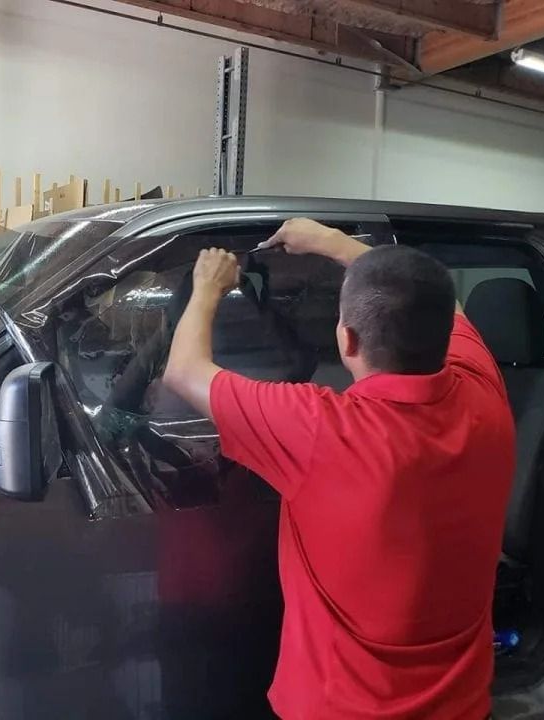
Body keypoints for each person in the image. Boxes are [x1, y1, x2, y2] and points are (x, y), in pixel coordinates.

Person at [162, 219, 515, 720]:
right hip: (463, 707)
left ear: (346, 340)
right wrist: (332, 243)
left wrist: (207, 284)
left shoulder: (319, 432)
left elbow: (182, 371)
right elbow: (448, 307)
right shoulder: (485, 393)